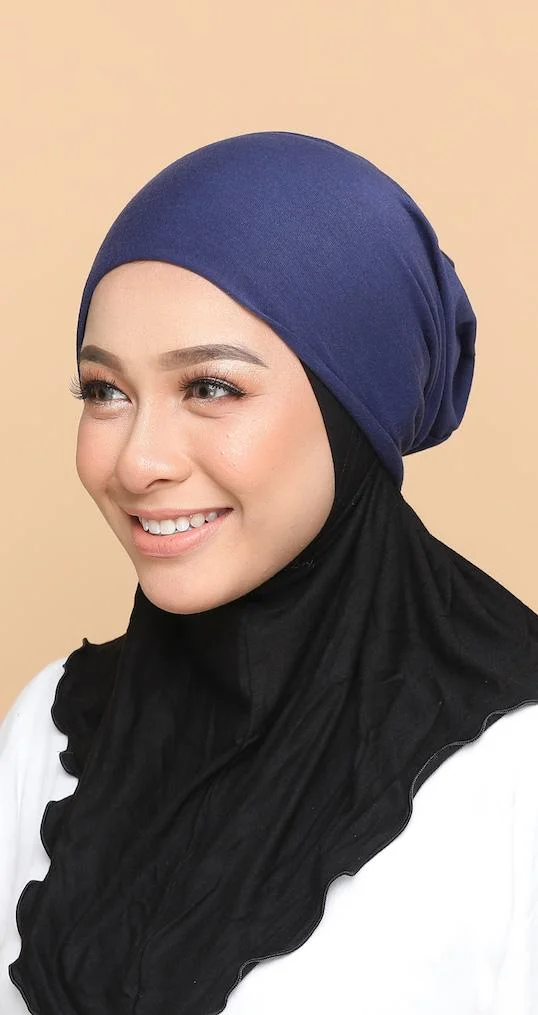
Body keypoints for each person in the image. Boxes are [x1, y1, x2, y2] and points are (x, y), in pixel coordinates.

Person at [1, 130, 537, 1015]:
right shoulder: (50, 731)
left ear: (351, 407)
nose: (138, 461)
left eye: (210, 387)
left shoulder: (515, 771)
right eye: (104, 391)